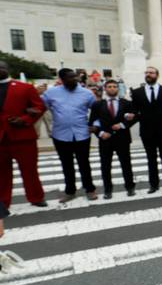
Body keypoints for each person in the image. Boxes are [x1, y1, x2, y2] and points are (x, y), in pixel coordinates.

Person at [42, 68, 97, 203]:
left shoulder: (87, 93)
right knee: (66, 164)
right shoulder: (50, 93)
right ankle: (70, 191)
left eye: (75, 77)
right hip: (60, 135)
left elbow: (97, 111)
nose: (74, 80)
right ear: (61, 79)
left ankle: (90, 189)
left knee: (84, 163)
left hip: (82, 134)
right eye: (70, 77)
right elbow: (41, 106)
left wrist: (95, 124)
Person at [0, 61, 47, 208]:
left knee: (30, 170)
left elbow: (40, 107)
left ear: (8, 69)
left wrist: (24, 120)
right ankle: (3, 201)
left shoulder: (25, 88)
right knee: (1, 174)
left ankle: (36, 197)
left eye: (2, 66)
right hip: (1, 139)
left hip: (23, 137)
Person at [130, 66, 162, 193]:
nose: (148, 74)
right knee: (151, 159)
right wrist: (132, 116)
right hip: (146, 131)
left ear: (157, 75)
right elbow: (134, 110)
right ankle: (153, 184)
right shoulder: (137, 92)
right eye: (146, 72)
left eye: (151, 72)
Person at [88, 79, 136, 198]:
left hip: (122, 139)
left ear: (118, 89)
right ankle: (108, 189)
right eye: (109, 86)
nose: (112, 88)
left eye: (115, 86)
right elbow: (92, 122)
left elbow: (134, 117)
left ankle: (130, 187)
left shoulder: (126, 103)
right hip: (105, 140)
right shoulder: (98, 104)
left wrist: (122, 125)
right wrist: (100, 133)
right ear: (105, 89)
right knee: (105, 165)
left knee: (126, 164)